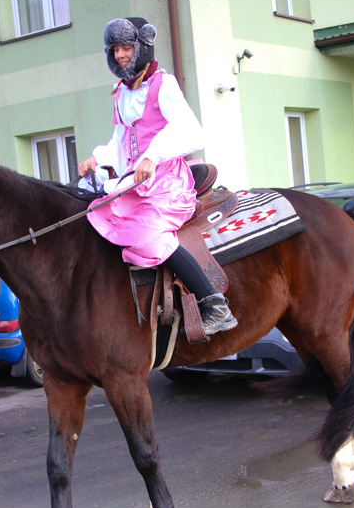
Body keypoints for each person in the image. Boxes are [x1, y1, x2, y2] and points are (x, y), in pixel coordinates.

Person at [77, 17, 237, 336]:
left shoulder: (164, 84)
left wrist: (154, 155)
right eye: (115, 49)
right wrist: (99, 157)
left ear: (142, 47)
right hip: (133, 179)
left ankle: (214, 304)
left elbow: (193, 133)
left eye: (126, 47)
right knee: (97, 213)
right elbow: (120, 140)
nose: (121, 54)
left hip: (165, 181)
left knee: (148, 234)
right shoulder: (122, 92)